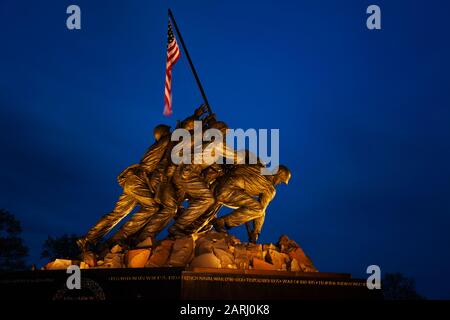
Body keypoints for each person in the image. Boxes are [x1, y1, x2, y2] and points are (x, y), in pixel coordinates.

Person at [212, 164, 291, 243]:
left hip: (218, 185)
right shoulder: (270, 189)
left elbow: (237, 170)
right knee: (258, 209)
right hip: (226, 192)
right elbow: (261, 210)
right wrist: (256, 232)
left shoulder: (259, 168)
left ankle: (220, 221)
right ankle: (222, 222)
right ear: (277, 174)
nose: (280, 183)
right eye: (281, 180)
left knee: (252, 206)